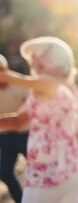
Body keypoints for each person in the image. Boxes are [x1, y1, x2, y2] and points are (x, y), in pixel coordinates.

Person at [0, 36, 78, 203]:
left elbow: (18, 80)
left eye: (37, 56)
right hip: (70, 173)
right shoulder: (69, 88)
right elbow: (18, 122)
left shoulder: (48, 83)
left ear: (53, 58)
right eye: (31, 57)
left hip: (45, 177)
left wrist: (6, 75)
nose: (31, 62)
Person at [0, 54, 29, 203]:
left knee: (39, 171)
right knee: (4, 172)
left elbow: (22, 119)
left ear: (6, 69)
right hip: (4, 137)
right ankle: (21, 200)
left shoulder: (21, 82)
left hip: (26, 134)